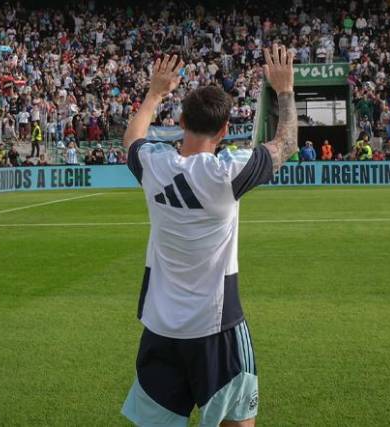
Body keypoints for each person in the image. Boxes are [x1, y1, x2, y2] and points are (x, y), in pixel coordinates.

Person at [120, 48, 298, 427]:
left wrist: (155, 93)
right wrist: (284, 90)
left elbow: (132, 139)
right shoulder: (228, 173)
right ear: (223, 131)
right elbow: (287, 144)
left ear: (181, 120)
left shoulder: (154, 164)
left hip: (160, 329)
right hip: (218, 330)